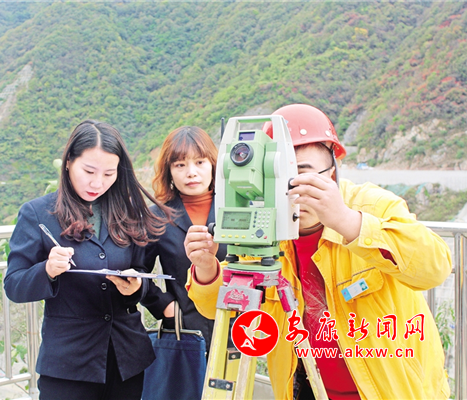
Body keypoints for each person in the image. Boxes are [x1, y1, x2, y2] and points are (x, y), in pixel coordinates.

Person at [185, 104, 452, 399]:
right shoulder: (266, 226)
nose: (291, 189)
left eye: (302, 174)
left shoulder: (372, 205)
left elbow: (434, 268)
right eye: (278, 175)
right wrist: (206, 268)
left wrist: (348, 222)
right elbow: (223, 307)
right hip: (307, 388)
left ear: (332, 171)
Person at [4, 120, 173, 400]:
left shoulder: (128, 212)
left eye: (109, 174)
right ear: (69, 162)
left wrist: (136, 286)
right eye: (89, 171)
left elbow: (141, 271)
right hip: (69, 364)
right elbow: (14, 285)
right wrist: (47, 270)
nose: (98, 183)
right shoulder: (38, 213)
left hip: (126, 360)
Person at [141, 126, 227, 351]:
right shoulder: (157, 217)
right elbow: (138, 273)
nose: (191, 172)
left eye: (200, 162)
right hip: (184, 332)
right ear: (168, 171)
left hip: (238, 330)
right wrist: (165, 307)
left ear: (213, 165)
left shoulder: (236, 209)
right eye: (180, 165)